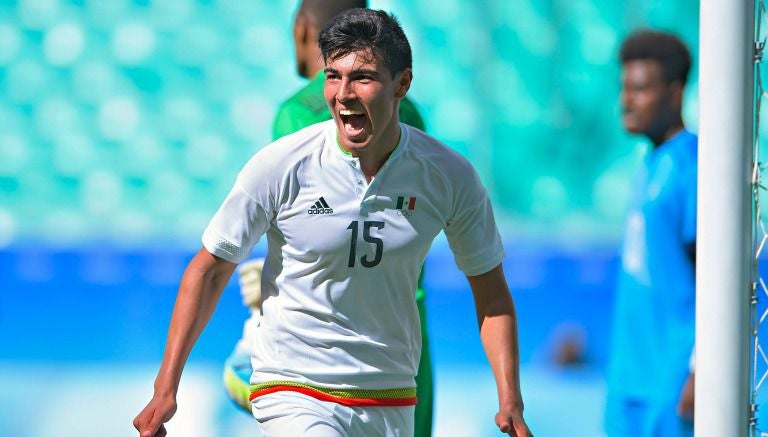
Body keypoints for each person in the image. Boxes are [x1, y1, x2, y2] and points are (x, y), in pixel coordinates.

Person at [134, 8, 532, 437]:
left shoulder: (448, 176)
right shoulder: (282, 163)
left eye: (362, 77)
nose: (343, 93)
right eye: (332, 76)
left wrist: (510, 399)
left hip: (390, 396)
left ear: (403, 84)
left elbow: (491, 294)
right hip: (293, 386)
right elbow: (209, 270)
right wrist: (165, 387)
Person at [222, 2, 435, 436]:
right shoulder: (407, 111)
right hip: (405, 346)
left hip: (325, 350)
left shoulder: (299, 112)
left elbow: (305, 222)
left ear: (302, 29)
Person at [605, 30, 697, 437]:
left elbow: (715, 274)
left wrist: (700, 367)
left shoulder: (693, 165)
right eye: (624, 88)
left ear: (674, 94)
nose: (626, 101)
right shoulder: (648, 164)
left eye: (640, 89)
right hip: (629, 378)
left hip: (671, 380)